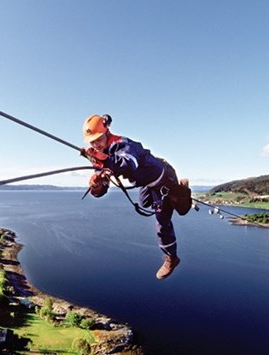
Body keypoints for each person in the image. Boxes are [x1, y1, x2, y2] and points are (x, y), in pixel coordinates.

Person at [81, 114, 191, 280]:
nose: (95, 144)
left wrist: (105, 161)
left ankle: (172, 257)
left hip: (162, 177)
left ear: (107, 132)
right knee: (145, 202)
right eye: (92, 141)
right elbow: (102, 185)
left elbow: (128, 163)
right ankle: (174, 195)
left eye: (98, 139)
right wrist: (97, 185)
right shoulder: (100, 154)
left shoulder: (122, 144)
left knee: (162, 222)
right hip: (147, 181)